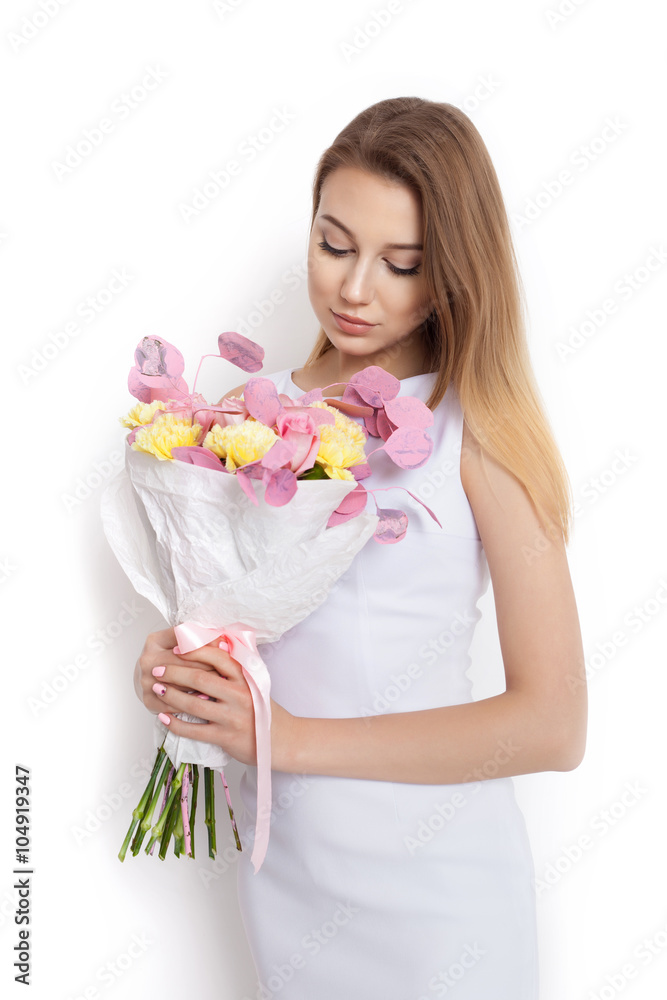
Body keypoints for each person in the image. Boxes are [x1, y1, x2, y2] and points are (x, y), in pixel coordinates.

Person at [135, 97, 587, 998]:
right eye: (334, 244)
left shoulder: (476, 430)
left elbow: (554, 725)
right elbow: (245, 627)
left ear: (453, 272)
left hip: (439, 901)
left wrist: (288, 738)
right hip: (290, 873)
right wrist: (183, 666)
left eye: (401, 263)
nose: (353, 288)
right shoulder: (238, 421)